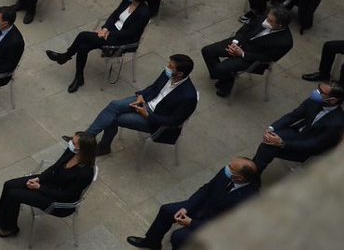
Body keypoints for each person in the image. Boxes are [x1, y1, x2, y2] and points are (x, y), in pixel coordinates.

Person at [126, 158, 260, 250]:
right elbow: (206, 189)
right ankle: (152, 242)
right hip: (202, 207)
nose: (227, 167)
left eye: (231, 167)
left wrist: (191, 223)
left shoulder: (249, 201)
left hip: (213, 224)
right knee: (167, 210)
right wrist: (186, 207)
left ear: (240, 178)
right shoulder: (227, 172)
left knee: (178, 236)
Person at [81, 54, 198, 155]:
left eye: (171, 67)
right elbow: (154, 87)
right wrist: (142, 95)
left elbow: (173, 121)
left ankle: (103, 147)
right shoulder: (168, 74)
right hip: (145, 101)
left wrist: (147, 115)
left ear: (180, 74)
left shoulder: (188, 97)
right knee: (114, 105)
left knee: (114, 119)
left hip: (154, 120)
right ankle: (86, 138)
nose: (167, 67)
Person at [47, 0, 152, 92]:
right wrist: (105, 28)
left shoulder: (144, 12)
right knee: (83, 47)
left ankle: (65, 57)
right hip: (110, 31)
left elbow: (131, 33)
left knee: (83, 35)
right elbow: (114, 15)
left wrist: (109, 33)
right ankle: (79, 77)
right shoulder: (127, 1)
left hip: (121, 40)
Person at [0, 133, 97, 238]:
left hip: (57, 202)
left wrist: (39, 187)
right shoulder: (72, 151)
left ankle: (8, 228)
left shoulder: (85, 173)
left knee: (13, 194)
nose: (70, 143)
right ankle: (3, 219)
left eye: (73, 142)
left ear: (81, 148)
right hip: (51, 182)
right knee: (9, 184)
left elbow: (66, 196)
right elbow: (55, 167)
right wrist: (39, 179)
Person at [250, 81, 344, 172]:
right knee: (268, 141)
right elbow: (294, 115)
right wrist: (272, 128)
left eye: (321, 92)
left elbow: (314, 144)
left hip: (307, 149)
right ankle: (250, 172)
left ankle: (250, 174)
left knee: (268, 147)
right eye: (318, 88)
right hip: (299, 132)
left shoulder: (336, 123)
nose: (316, 92)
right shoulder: (313, 101)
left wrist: (282, 143)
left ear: (333, 100)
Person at [201, 7, 295, 97]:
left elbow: (267, 58)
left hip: (252, 58)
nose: (266, 20)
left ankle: (226, 84)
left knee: (220, 68)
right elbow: (246, 28)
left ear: (280, 25)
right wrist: (235, 42)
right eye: (267, 17)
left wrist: (242, 54)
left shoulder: (285, 42)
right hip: (241, 42)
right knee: (207, 51)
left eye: (270, 21)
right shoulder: (266, 17)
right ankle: (221, 76)